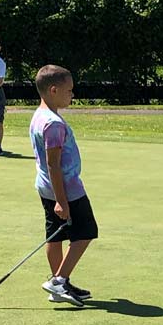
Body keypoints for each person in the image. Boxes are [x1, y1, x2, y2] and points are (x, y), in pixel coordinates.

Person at [29, 65, 97, 308]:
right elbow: (53, 163)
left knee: (55, 234)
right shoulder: (53, 124)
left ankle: (59, 284)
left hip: (46, 186)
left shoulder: (39, 115)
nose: (72, 95)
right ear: (53, 90)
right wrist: (62, 200)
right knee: (86, 232)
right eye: (69, 90)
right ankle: (59, 280)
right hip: (66, 189)